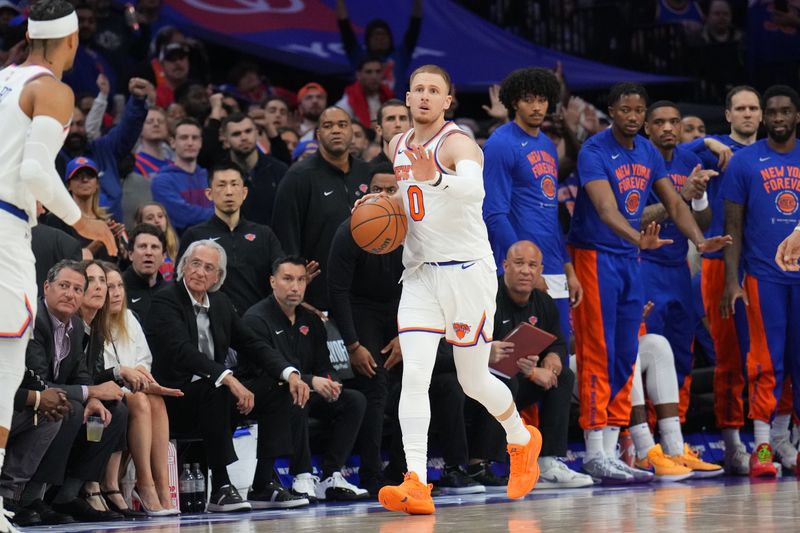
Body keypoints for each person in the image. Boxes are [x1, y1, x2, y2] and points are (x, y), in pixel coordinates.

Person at [374, 65, 542, 515]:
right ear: (407, 98)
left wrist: (437, 178)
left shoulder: (457, 142)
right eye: (419, 90)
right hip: (421, 274)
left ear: (448, 101)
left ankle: (522, 438)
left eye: (436, 91)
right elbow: (411, 201)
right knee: (415, 377)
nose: (426, 97)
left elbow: (472, 190)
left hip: (467, 272)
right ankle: (416, 481)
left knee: (472, 380)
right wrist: (380, 207)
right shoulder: (395, 144)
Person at [566, 82, 730, 484]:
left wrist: (698, 239)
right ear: (612, 111)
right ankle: (594, 451)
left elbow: (675, 202)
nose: (634, 117)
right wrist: (638, 238)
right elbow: (606, 209)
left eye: (639, 110)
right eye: (626, 110)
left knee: (625, 354)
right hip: (594, 255)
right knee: (599, 351)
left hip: (627, 260)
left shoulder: (648, 151)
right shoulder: (594, 150)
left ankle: (613, 446)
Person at [0, 2, 116, 528]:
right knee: (4, 373)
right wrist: (82, 221)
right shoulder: (53, 89)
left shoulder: (4, 79)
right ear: (71, 41)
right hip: (4, 231)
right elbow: (35, 169)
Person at [144, 240, 310, 512]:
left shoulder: (220, 302)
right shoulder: (166, 299)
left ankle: (263, 484)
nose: (200, 272)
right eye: (195, 263)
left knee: (275, 388)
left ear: (218, 277)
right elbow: (182, 352)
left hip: (213, 396)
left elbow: (252, 343)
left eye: (209, 268)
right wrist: (228, 377)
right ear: (183, 265)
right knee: (218, 388)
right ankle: (220, 487)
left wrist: (290, 373)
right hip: (174, 398)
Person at [721, 85, 800, 478]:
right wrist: (731, 282)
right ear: (765, 118)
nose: (779, 118)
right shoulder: (744, 162)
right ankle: (763, 447)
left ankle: (790, 444)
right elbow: (732, 227)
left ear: (797, 116)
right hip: (763, 276)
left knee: (797, 363)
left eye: (786, 111)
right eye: (773, 112)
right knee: (766, 363)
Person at [243, 257, 368, 503]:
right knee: (295, 393)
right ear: (272, 282)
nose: (295, 287)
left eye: (301, 280)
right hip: (268, 392)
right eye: (287, 279)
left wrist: (330, 382)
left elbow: (323, 365)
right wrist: (311, 382)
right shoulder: (256, 319)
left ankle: (330, 475)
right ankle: (301, 475)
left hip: (307, 390)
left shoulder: (311, 320)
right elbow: (264, 369)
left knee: (354, 400)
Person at [469, 241, 592, 489]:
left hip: (518, 377)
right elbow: (461, 341)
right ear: (504, 266)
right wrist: (486, 350)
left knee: (564, 376)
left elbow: (557, 341)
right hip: (477, 384)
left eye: (532, 265)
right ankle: (479, 465)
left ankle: (548, 462)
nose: (526, 271)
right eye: (519, 263)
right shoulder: (486, 296)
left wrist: (553, 360)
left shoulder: (543, 302)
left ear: (540, 271)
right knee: (504, 381)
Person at [684, 86, 762, 474]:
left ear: (762, 115)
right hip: (719, 263)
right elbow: (682, 147)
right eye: (740, 109)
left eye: (753, 108)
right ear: (728, 114)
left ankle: (778, 440)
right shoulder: (711, 151)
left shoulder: (773, 152)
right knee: (728, 358)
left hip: (767, 264)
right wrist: (710, 139)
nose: (747, 114)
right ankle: (732, 443)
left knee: (776, 358)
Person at [22, 260, 127, 524]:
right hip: (24, 399)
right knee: (69, 408)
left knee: (113, 412)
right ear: (47, 287)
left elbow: (80, 372)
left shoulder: (77, 326)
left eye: (77, 289)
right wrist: (90, 391)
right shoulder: (34, 319)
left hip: (60, 398)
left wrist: (94, 398)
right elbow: (38, 383)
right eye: (64, 286)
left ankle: (68, 495)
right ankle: (31, 497)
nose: (71, 294)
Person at [483, 67, 583, 345]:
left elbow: (550, 215)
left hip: (551, 263)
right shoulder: (500, 144)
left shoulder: (549, 146)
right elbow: (494, 213)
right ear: (514, 102)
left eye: (542, 99)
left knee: (559, 353)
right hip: (520, 269)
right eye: (528, 99)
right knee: (517, 360)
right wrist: (525, 266)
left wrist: (568, 269)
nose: (537, 107)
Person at [326, 164, 405, 495]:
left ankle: (404, 471)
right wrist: (353, 344)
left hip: (401, 308)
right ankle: (371, 474)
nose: (384, 196)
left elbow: (423, 281)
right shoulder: (350, 230)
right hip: (360, 310)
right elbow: (337, 291)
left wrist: (407, 333)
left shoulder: (413, 230)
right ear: (365, 192)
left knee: (413, 385)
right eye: (378, 189)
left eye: (391, 190)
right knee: (375, 387)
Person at [640, 101, 715, 423]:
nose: (668, 128)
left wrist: (698, 196)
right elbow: (633, 220)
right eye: (660, 122)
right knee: (649, 350)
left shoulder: (690, 159)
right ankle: (645, 436)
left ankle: (677, 431)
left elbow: (705, 220)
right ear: (647, 128)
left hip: (678, 268)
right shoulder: (637, 159)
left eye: (674, 122)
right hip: (644, 264)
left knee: (682, 350)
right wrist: (680, 196)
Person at [272, 106, 372, 311]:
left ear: (352, 132)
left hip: (365, 296)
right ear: (318, 134)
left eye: (342, 125)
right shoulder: (298, 177)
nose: (336, 130)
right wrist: (296, 290)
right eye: (328, 125)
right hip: (318, 298)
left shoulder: (367, 173)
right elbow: (285, 240)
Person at [100, 262, 181, 516]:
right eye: (108, 287)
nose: (115, 292)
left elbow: (143, 360)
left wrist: (145, 378)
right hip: (108, 390)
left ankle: (162, 489)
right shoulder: (91, 322)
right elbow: (100, 369)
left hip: (133, 388)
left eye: (119, 286)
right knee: (140, 400)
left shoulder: (128, 318)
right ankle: (143, 484)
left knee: (155, 400)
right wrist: (135, 380)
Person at [179, 161, 287, 315]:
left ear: (244, 193)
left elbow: (280, 272)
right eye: (221, 185)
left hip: (258, 324)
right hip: (211, 323)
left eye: (234, 184)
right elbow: (181, 284)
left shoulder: (264, 234)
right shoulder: (195, 236)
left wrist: (295, 275)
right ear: (209, 194)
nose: (229, 192)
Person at [627, 328, 723, 480]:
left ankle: (675, 450)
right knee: (625, 348)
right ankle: (645, 454)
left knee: (658, 345)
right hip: (582, 362)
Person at [43, 156, 125, 261]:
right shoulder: (57, 219)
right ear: (68, 185)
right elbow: (63, 264)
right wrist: (100, 240)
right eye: (78, 176)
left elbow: (121, 260)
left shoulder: (108, 220)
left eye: (90, 176)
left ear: (97, 184)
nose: (85, 180)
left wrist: (117, 243)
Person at [336, 0, 423, 94]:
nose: (380, 38)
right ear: (367, 39)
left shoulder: (401, 55)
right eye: (376, 35)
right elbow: (344, 25)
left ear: (391, 38)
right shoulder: (359, 56)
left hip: (397, 107)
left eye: (383, 34)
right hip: (365, 107)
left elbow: (415, 23)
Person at [219, 113, 288, 227]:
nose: (244, 137)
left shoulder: (279, 170)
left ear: (256, 133)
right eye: (236, 134)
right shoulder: (218, 174)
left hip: (272, 241)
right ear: (226, 140)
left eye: (248, 131)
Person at [151, 117, 213, 233]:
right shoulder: (161, 180)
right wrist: (219, 215)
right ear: (173, 143)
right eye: (184, 138)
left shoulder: (210, 177)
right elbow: (183, 216)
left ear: (200, 143)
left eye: (194, 138)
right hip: (180, 246)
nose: (190, 143)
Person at [337, 57, 394, 128]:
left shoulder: (389, 96)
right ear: (358, 75)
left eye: (378, 71)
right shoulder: (346, 104)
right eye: (368, 72)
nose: (374, 76)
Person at [134, 202, 179, 281]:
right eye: (150, 218)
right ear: (140, 224)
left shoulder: (175, 246)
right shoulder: (136, 251)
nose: (157, 220)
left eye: (160, 216)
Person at [134, 107, 172, 179]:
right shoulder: (135, 164)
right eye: (149, 121)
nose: (156, 124)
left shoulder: (173, 165)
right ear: (140, 128)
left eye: (160, 121)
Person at [371, 99, 411, 165]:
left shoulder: (424, 167)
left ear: (411, 127)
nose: (398, 124)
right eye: (391, 119)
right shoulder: (370, 171)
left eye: (402, 118)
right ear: (379, 130)